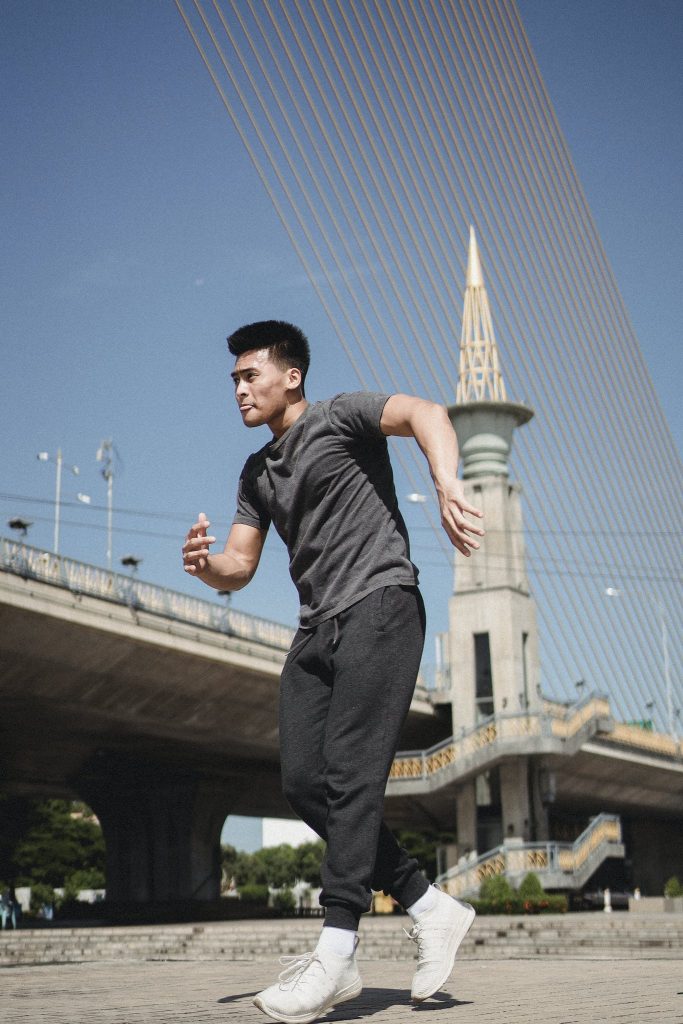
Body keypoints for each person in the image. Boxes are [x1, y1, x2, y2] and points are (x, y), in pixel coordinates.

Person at [182, 320, 484, 1024]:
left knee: (351, 775)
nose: (237, 390)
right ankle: (430, 906)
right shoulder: (256, 474)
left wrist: (444, 482)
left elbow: (425, 413)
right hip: (316, 630)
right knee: (302, 783)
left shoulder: (342, 416)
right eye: (232, 379)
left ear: (290, 375)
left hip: (380, 605)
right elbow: (239, 565)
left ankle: (338, 952)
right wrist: (205, 568)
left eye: (248, 375)